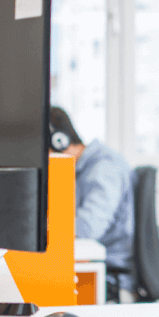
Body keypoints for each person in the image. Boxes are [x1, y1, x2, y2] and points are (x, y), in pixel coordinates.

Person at [49, 106, 134, 300]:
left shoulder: (105, 167)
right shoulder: (75, 169)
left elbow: (87, 227)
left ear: (59, 140)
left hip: (109, 275)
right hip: (88, 266)